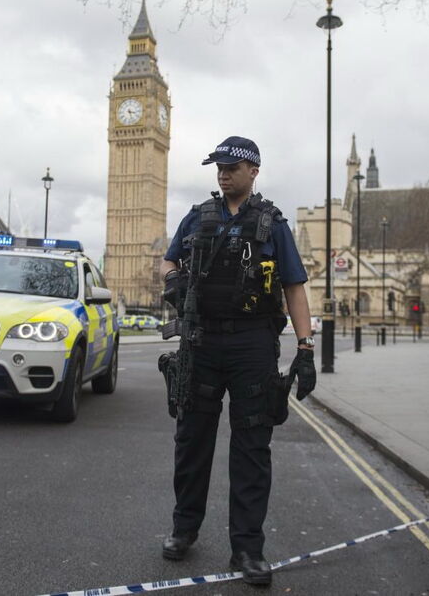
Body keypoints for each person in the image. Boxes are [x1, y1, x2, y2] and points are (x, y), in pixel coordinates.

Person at [158, 136, 316, 585]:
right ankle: (184, 529)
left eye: (231, 167)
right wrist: (173, 281)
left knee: (252, 447)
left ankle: (248, 548)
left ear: (253, 172)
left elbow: (293, 287)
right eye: (219, 168)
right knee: (192, 440)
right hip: (201, 341)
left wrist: (305, 349)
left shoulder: (273, 224)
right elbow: (168, 263)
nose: (223, 174)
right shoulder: (197, 216)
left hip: (252, 344)